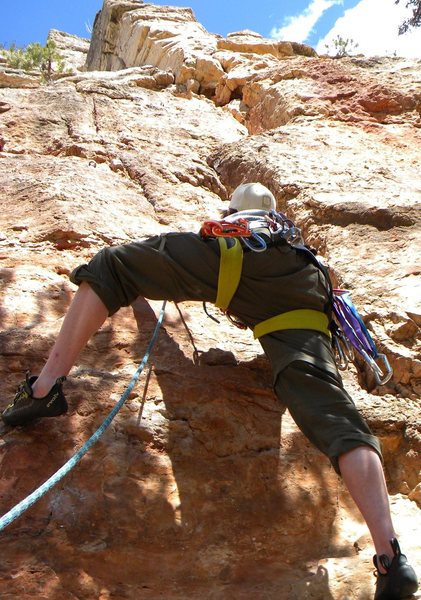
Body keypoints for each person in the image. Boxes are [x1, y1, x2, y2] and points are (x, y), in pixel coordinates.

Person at [1, 183, 418, 599]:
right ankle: (390, 556)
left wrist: (145, 279)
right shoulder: (297, 245)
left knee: (112, 264)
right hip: (305, 293)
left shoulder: (238, 224)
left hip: (238, 257)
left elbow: (158, 263)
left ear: (232, 209)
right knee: (336, 419)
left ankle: (42, 389)